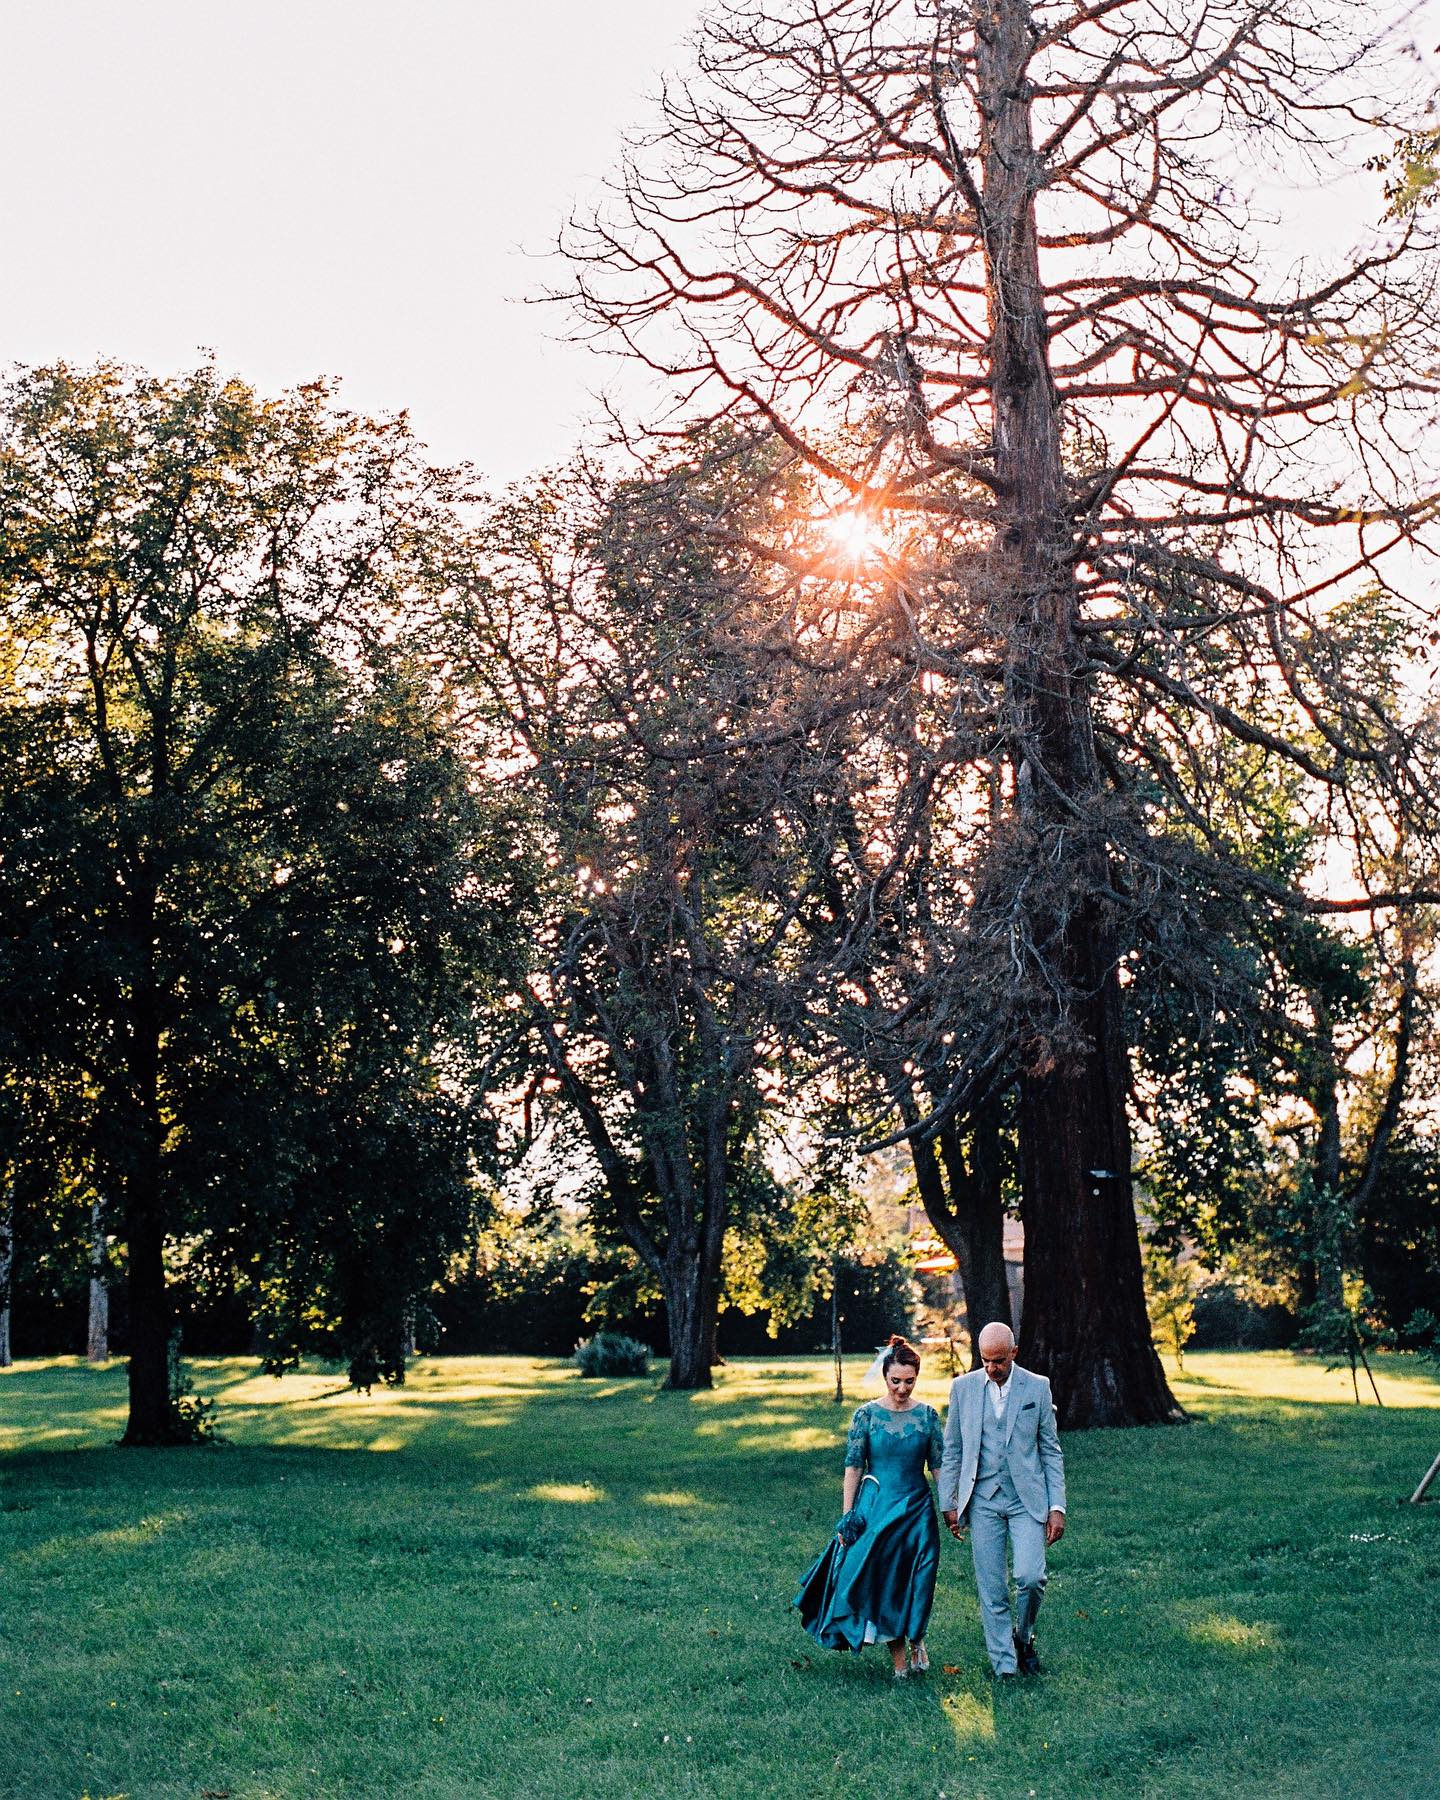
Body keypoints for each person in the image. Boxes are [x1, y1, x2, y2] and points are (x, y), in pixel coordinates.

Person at [793, 1335, 943, 1680]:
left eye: (909, 1381)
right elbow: (853, 1467)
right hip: (878, 1509)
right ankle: (900, 1664)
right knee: (883, 1581)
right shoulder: (866, 1416)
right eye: (895, 1381)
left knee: (920, 1579)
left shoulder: (927, 1416)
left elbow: (939, 1467)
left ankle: (917, 1636)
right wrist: (848, 1516)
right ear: (885, 1376)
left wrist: (952, 1508)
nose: (902, 1388)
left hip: (918, 1511)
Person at [938, 1320, 1066, 1679]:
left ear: (1014, 1353)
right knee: (992, 1586)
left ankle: (1023, 1637)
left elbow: (1050, 1451)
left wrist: (1057, 1507)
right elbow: (953, 1449)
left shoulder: (1037, 1387)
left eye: (999, 1361)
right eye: (985, 1361)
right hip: (982, 1500)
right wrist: (949, 1502)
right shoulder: (962, 1388)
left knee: (1031, 1577)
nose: (992, 1368)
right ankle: (1004, 1666)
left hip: (1027, 1499)